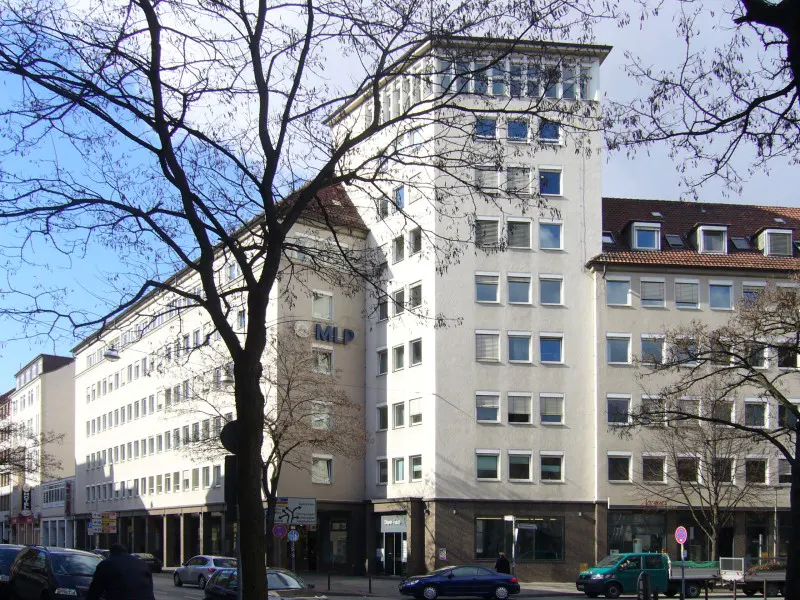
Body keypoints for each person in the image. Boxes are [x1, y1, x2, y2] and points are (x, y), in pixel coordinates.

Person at [87, 543, 155, 600]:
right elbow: (150, 584)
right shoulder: (141, 563)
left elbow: (96, 588)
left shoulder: (107, 563)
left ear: (111, 552)